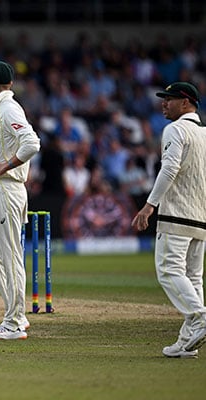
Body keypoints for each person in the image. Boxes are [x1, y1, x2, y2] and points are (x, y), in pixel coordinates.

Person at [131, 81, 206, 358]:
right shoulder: (204, 133)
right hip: (201, 217)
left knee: (168, 270)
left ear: (185, 102)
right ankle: (187, 341)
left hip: (177, 213)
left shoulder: (175, 129)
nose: (164, 103)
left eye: (170, 99)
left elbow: (170, 167)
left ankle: (200, 317)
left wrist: (149, 206)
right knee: (193, 278)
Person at [0, 61, 40, 340]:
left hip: (5, 188)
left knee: (10, 254)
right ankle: (15, 315)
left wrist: (7, 165)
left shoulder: (8, 108)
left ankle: (14, 323)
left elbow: (32, 143)